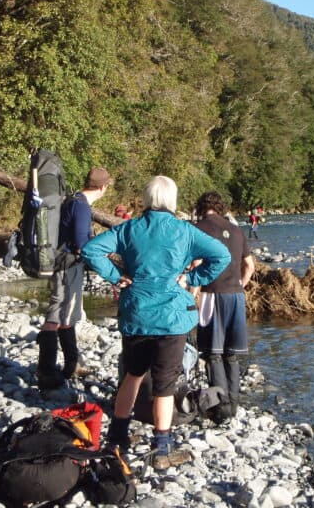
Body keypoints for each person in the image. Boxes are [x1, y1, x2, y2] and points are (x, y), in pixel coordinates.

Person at [81, 176, 231, 470]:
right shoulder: (185, 230)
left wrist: (116, 277)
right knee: (165, 384)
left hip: (137, 313)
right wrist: (192, 278)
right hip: (172, 319)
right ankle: (162, 446)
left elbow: (90, 250)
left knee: (133, 374)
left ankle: (118, 437)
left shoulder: (130, 228)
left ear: (146, 198)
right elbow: (222, 255)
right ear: (172, 200)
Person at [36, 167, 112, 389]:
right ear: (103, 186)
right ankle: (47, 370)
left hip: (64, 263)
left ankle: (71, 364)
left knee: (66, 313)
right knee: (57, 313)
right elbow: (81, 243)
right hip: (67, 265)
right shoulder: (81, 206)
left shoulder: (74, 200)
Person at [194, 192, 255, 424]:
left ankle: (221, 408)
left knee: (213, 353)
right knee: (232, 354)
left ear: (201, 207)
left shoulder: (198, 228)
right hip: (236, 295)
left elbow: (196, 264)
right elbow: (249, 265)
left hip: (212, 294)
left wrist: (192, 294)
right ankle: (235, 404)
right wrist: (240, 284)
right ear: (221, 208)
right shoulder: (237, 230)